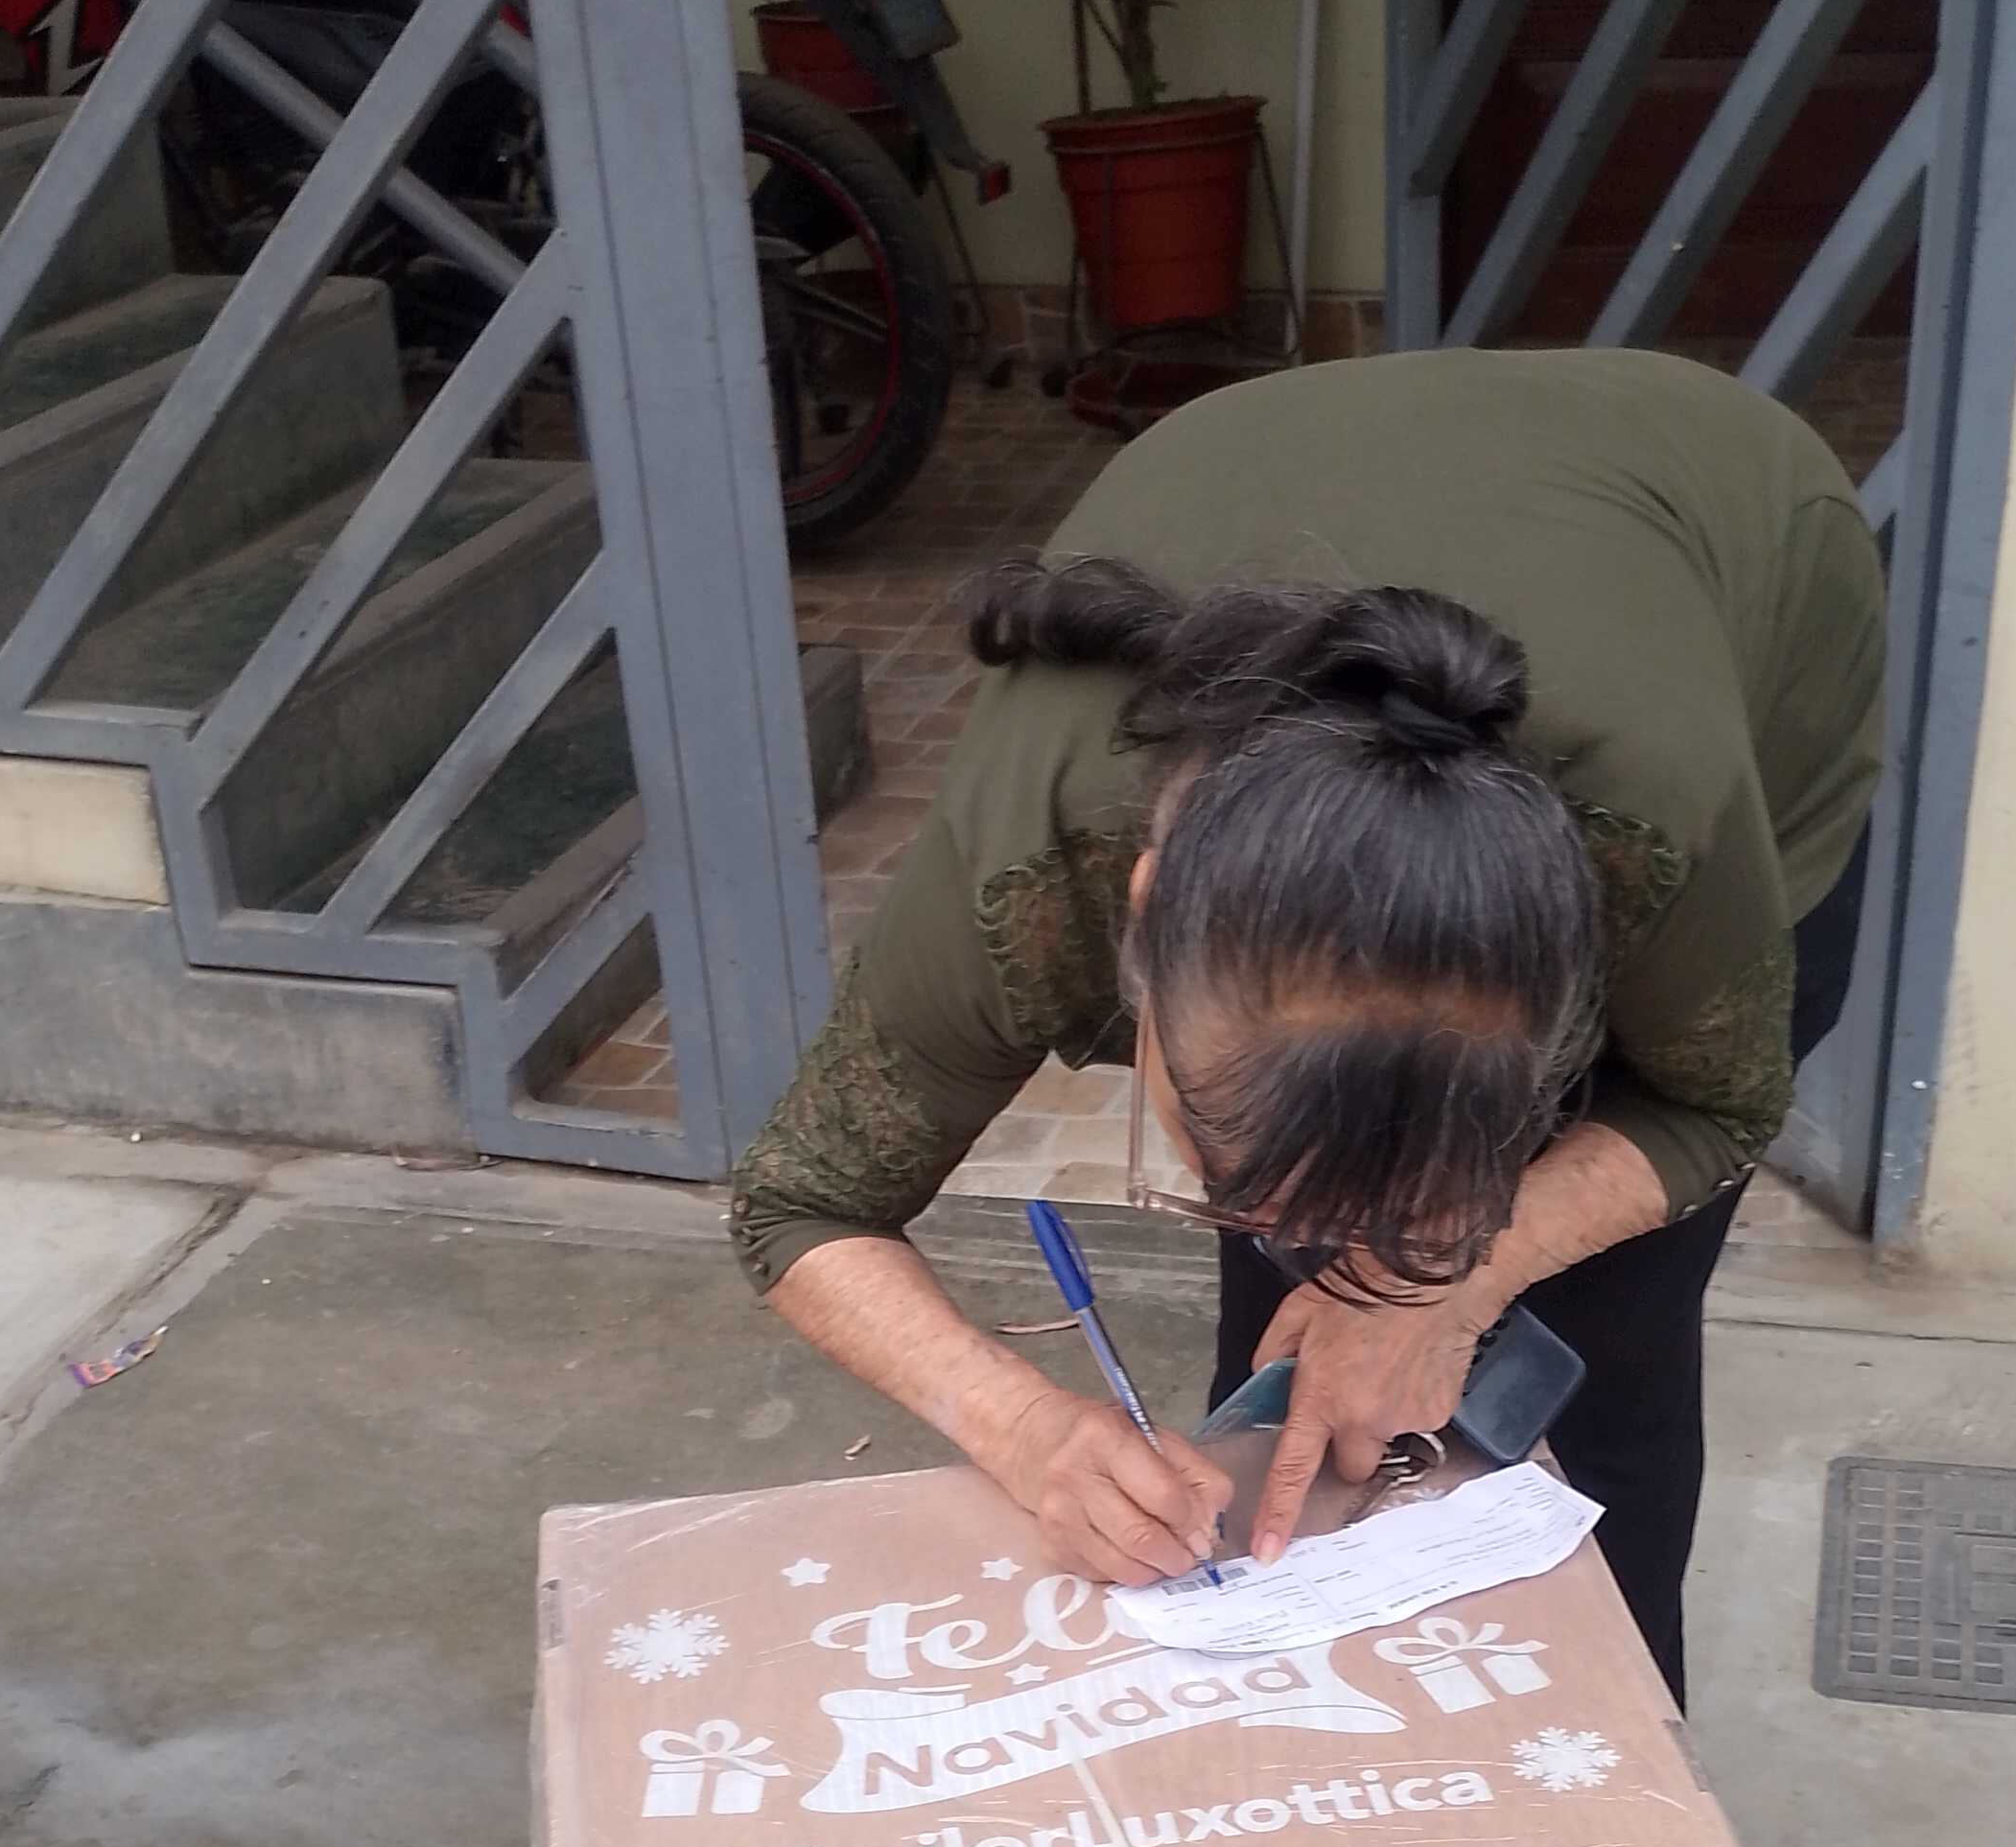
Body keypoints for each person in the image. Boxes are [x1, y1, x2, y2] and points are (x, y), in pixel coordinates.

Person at [729, 346, 1885, 1702]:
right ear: (1145, 912)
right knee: (1296, 1357)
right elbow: (800, 1204)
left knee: (1596, 1351)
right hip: (1292, 486)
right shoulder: (1030, 875)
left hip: (1745, 568)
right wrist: (1029, 1430)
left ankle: (1609, 1787)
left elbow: (1716, 1103)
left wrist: (1454, 1282)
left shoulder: (1654, 838)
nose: (1327, 1240)